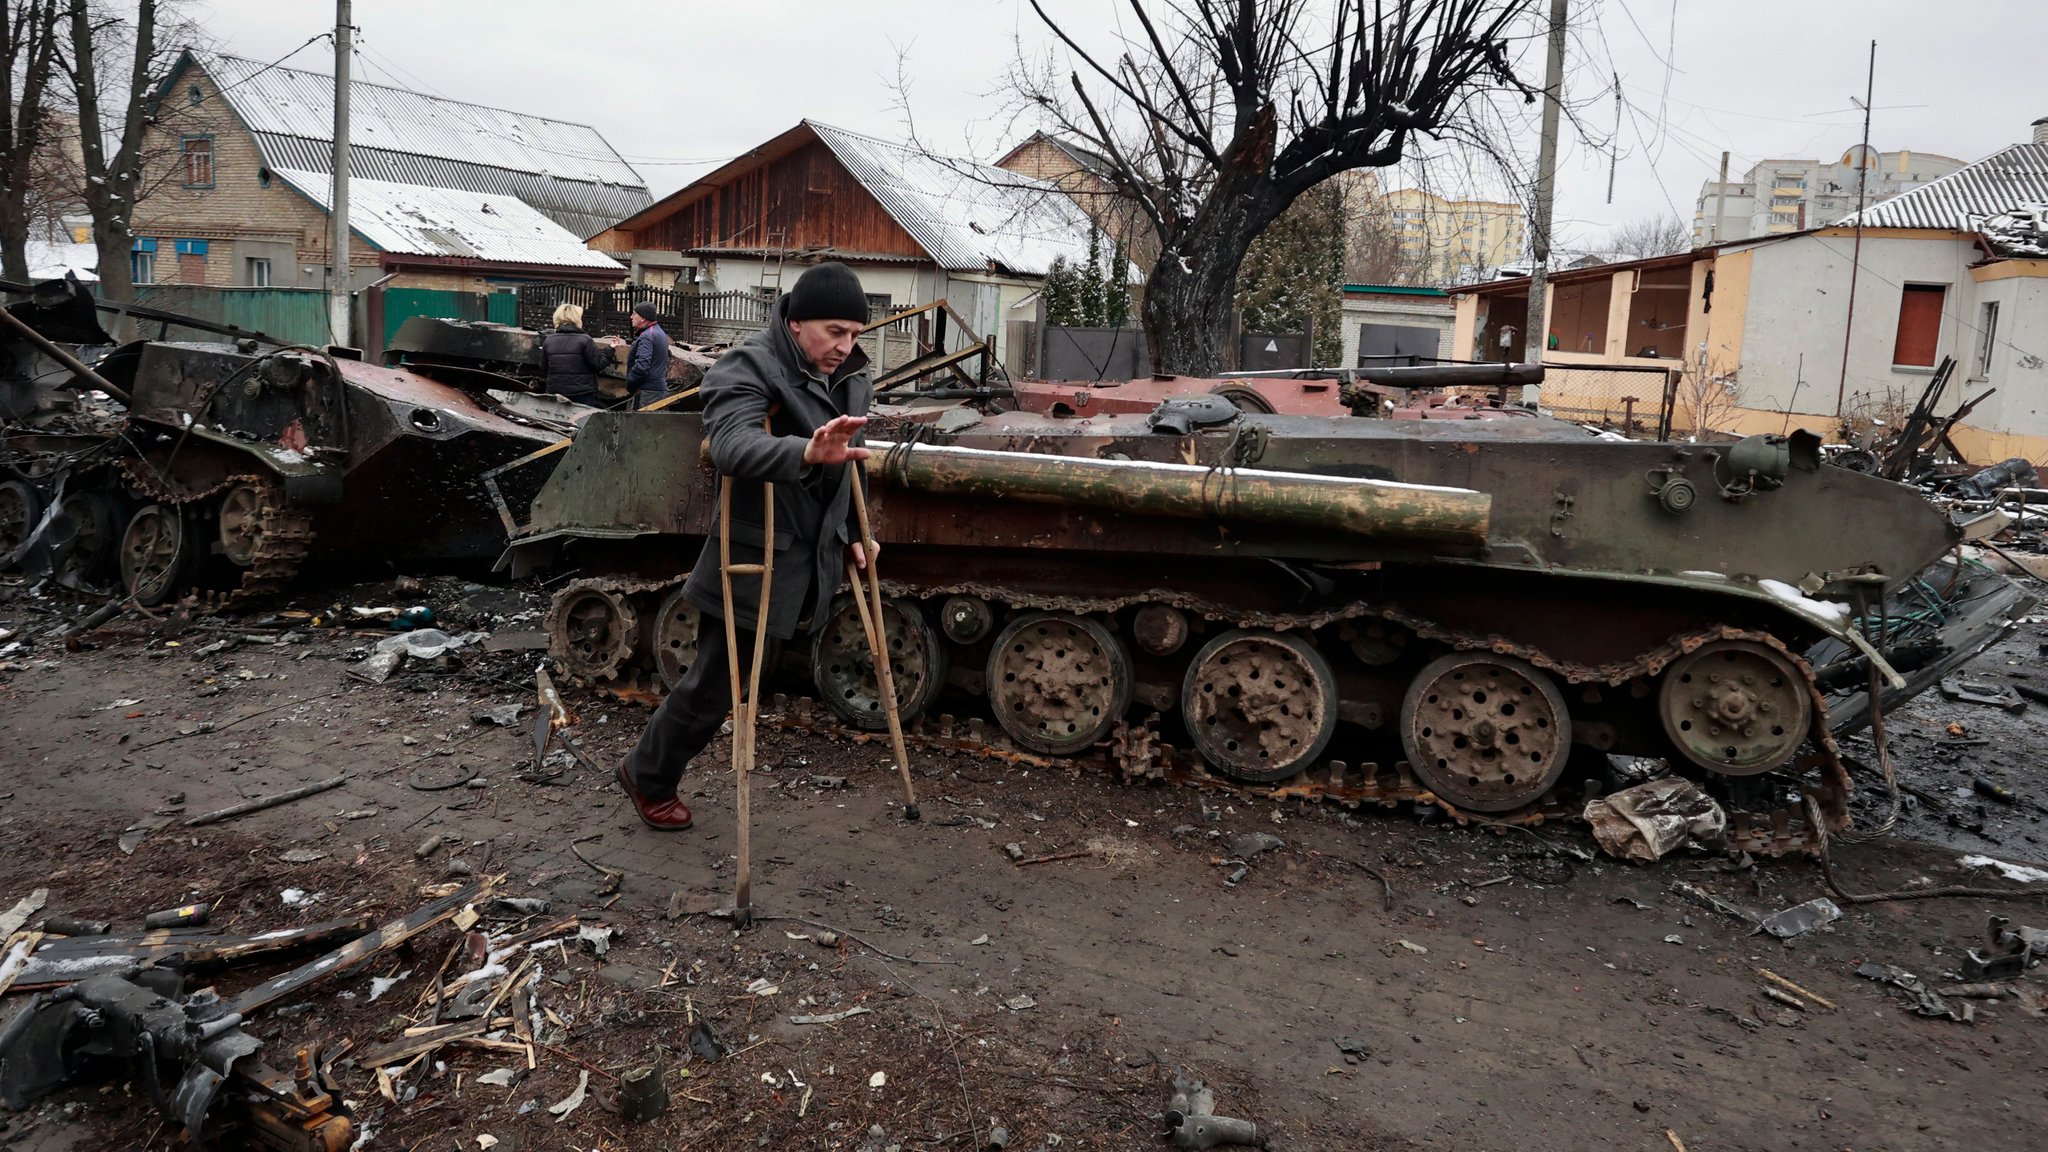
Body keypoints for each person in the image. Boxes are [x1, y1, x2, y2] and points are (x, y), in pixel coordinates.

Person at [615, 262, 877, 830]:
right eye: (835, 331)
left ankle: (650, 769)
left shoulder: (853, 374)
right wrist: (805, 452)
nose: (846, 346)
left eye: (856, 334)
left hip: (814, 555)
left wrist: (857, 533)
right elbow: (731, 445)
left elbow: (853, 462)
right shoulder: (750, 365)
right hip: (754, 557)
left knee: (742, 682)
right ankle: (647, 774)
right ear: (798, 320)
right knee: (717, 684)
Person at [541, 303, 609, 406]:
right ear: (576, 320)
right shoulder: (585, 340)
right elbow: (596, 366)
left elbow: (544, 367)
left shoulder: (549, 340)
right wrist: (609, 351)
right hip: (582, 392)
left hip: (556, 391)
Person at [627, 301, 672, 409]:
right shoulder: (659, 332)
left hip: (647, 392)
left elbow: (642, 366)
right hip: (656, 390)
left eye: (634, 314)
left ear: (643, 318)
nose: (631, 317)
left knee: (640, 424)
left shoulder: (647, 336)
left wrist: (630, 382)